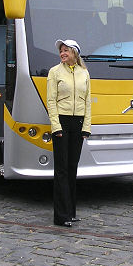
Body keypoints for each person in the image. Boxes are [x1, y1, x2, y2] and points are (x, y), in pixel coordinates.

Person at [47, 39, 91, 227]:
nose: (63, 53)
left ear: (75, 53)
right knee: (62, 169)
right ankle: (61, 216)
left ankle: (71, 212)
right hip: (62, 123)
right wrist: (56, 127)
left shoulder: (84, 73)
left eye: (66, 50)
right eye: (61, 51)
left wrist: (86, 128)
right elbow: (51, 101)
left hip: (78, 123)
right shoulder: (54, 72)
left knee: (72, 168)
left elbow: (88, 101)